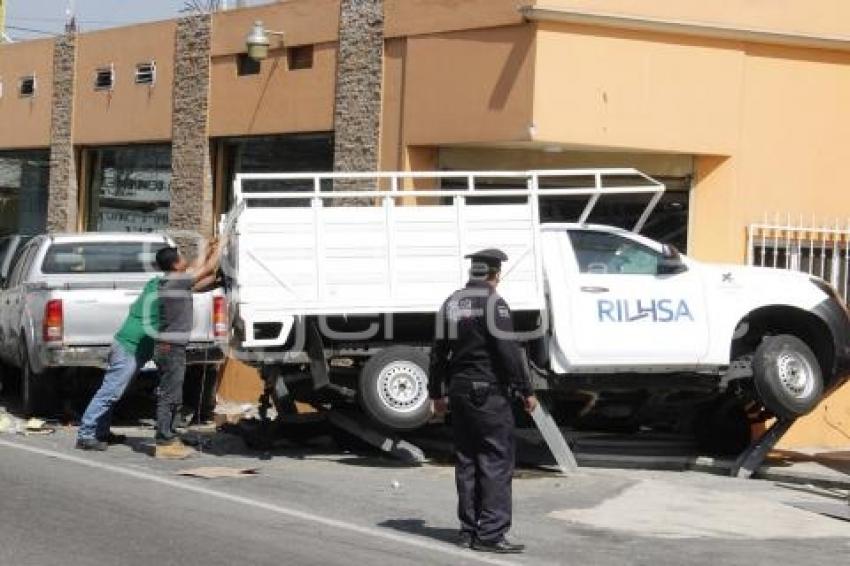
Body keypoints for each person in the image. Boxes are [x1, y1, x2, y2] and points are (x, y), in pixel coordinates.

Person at [429, 248, 538, 554]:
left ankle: (469, 530)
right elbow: (508, 351)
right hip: (488, 393)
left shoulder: (452, 303)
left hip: (459, 392)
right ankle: (490, 534)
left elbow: (438, 352)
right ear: (495, 274)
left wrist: (436, 393)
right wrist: (526, 390)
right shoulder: (494, 303)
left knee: (467, 461)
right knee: (495, 460)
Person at [76, 251, 166, 451]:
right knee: (110, 392)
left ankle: (100, 432)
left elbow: (196, 279)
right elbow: (196, 278)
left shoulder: (156, 282)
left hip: (130, 347)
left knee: (113, 391)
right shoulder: (164, 286)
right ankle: (86, 434)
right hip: (129, 348)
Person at [153, 240, 221, 459]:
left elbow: (204, 276)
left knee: (174, 394)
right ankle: (164, 441)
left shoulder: (174, 282)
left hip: (170, 347)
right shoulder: (176, 281)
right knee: (170, 395)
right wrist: (223, 245)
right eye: (182, 257)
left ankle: (171, 437)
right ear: (175, 265)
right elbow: (206, 269)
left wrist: (207, 251)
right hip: (170, 348)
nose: (186, 260)